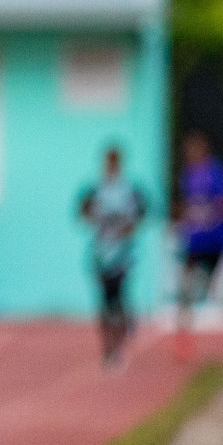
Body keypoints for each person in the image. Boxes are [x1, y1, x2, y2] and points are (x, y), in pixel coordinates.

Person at [79, 146, 147, 368]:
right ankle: (108, 350)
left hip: (122, 255)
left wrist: (126, 226)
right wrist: (94, 217)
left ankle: (117, 347)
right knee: (105, 303)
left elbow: (140, 217)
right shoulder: (96, 189)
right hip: (101, 254)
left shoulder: (129, 191)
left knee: (118, 302)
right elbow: (82, 213)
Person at [175, 130, 223, 361]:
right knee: (185, 291)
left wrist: (208, 217)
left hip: (215, 242)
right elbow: (186, 207)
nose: (189, 153)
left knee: (209, 291)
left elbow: (220, 204)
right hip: (194, 245)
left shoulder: (215, 174)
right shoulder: (187, 176)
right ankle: (184, 340)